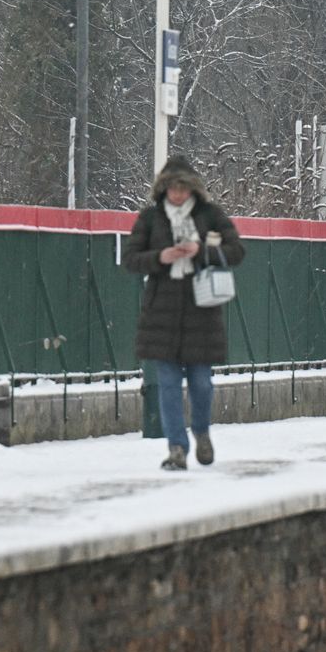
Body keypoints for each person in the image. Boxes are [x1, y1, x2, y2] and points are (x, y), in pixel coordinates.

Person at [123, 156, 245, 470]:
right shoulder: (151, 218)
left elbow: (236, 251)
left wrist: (202, 251)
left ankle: (202, 431)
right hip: (161, 312)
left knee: (202, 382)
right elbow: (131, 259)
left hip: (200, 311)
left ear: (192, 189)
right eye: (172, 189)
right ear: (163, 189)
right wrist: (160, 256)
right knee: (167, 384)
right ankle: (177, 446)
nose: (177, 194)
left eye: (183, 188)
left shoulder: (209, 215)